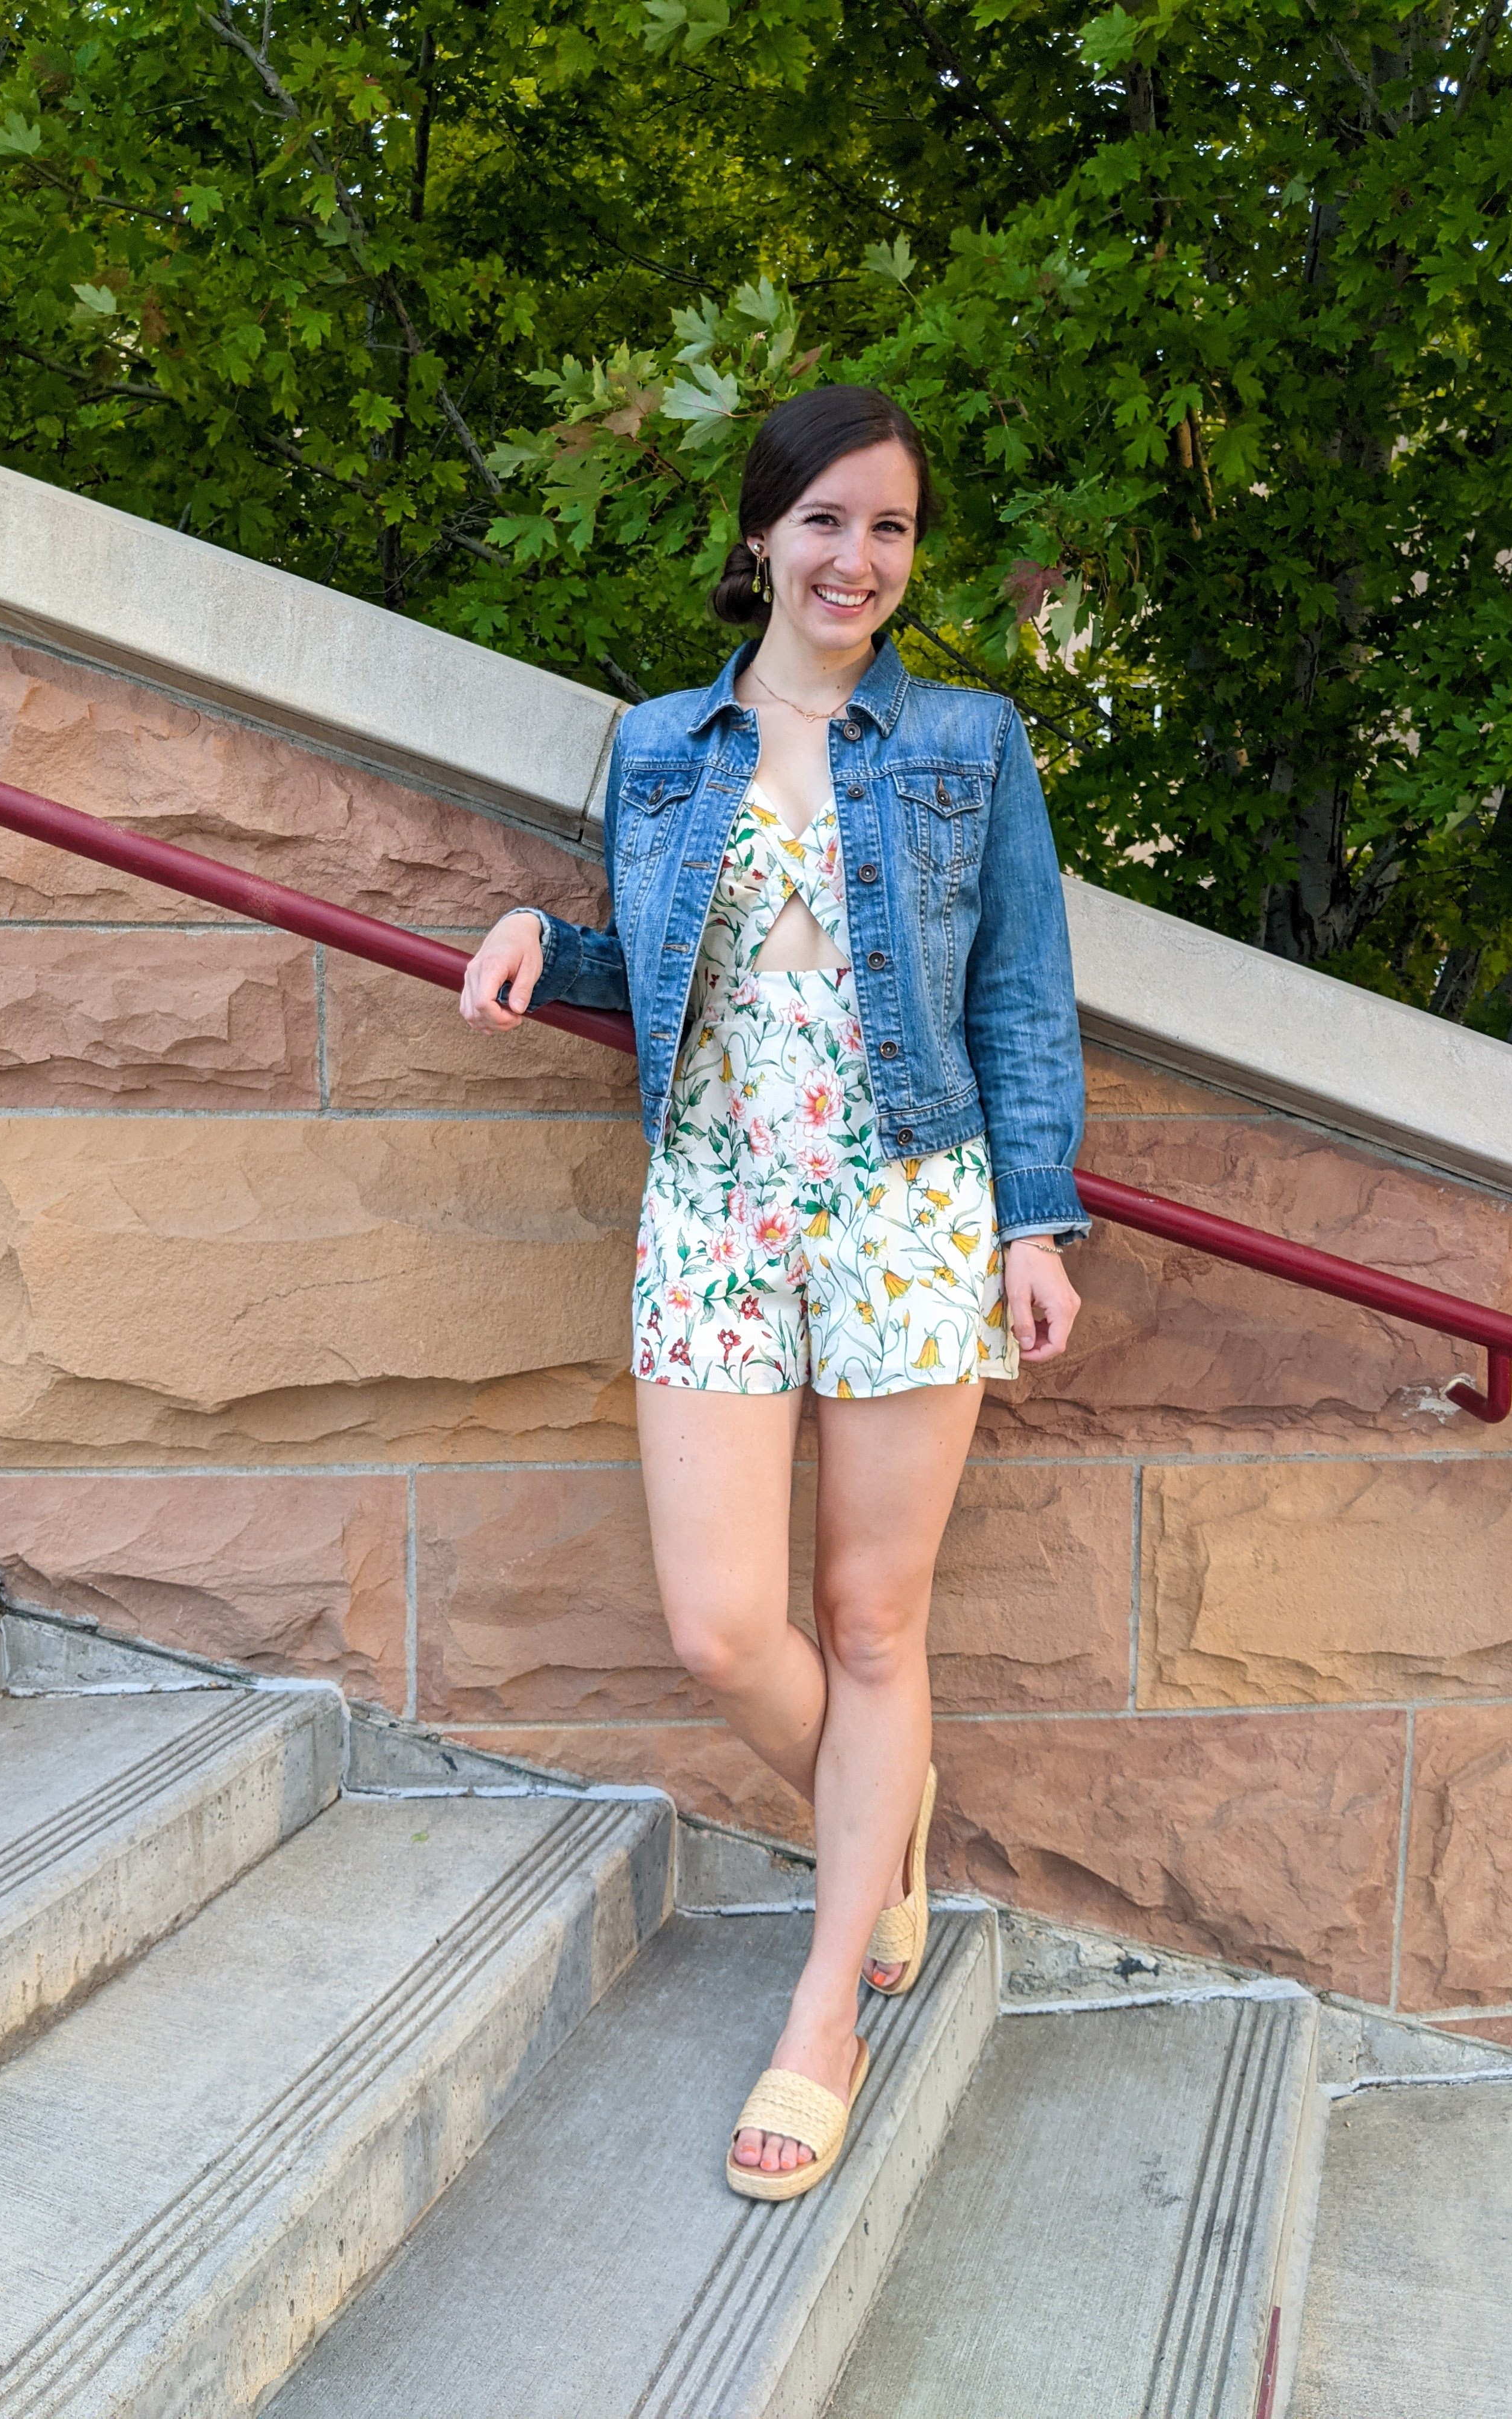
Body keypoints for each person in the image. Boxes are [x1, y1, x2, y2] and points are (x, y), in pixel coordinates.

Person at [459, 384, 1086, 2201]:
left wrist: (1029, 1230)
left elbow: (1023, 998)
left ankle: (826, 2006)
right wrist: (537, 939)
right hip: (717, 1209)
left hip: (904, 1205)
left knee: (871, 1619)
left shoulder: (971, 742)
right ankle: (875, 1829)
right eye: (825, 522)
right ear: (761, 539)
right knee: (723, 1629)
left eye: (889, 529)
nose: (858, 561)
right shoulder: (662, 744)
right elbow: (662, 959)